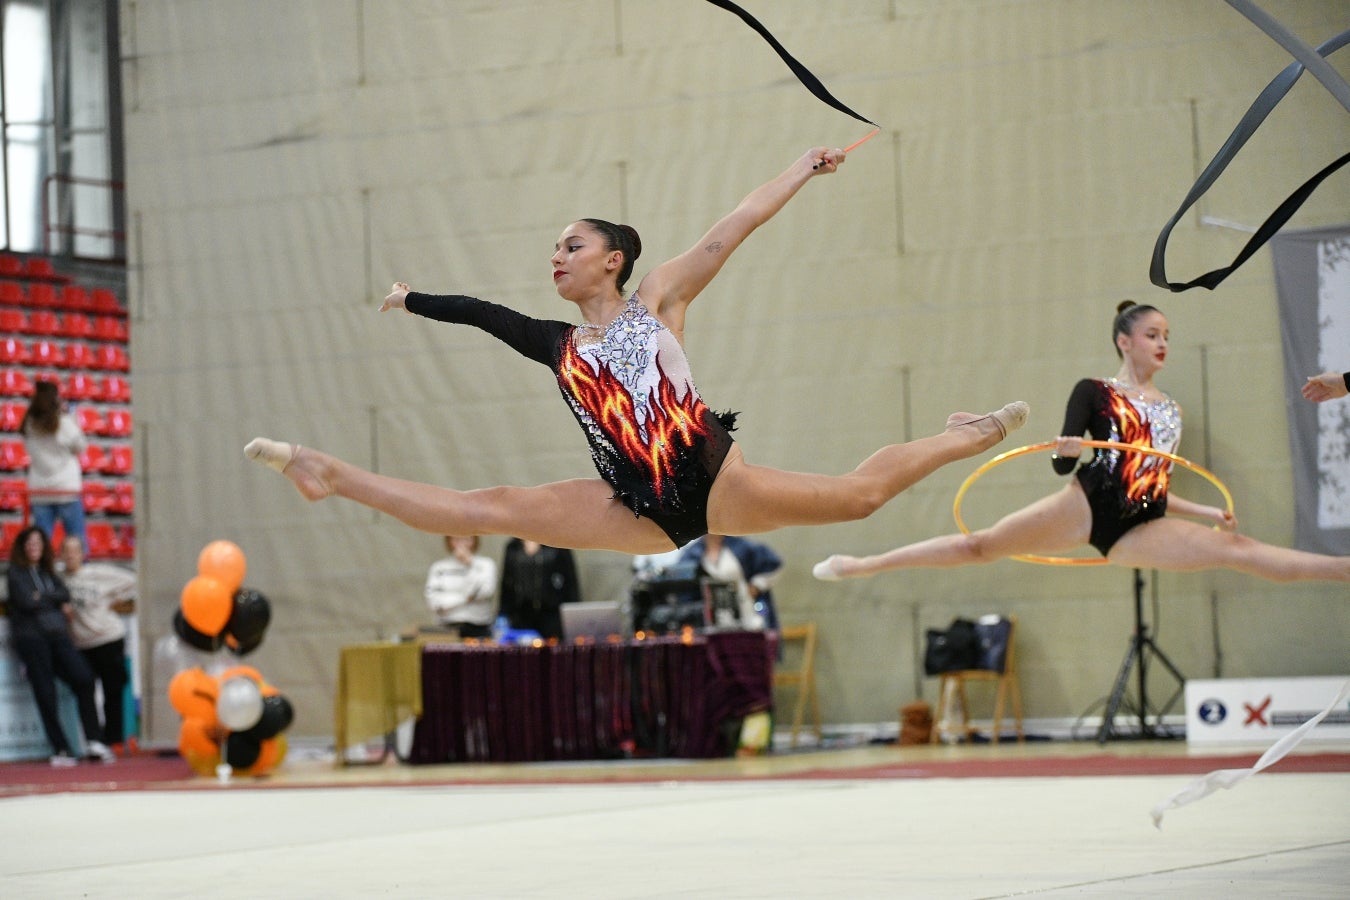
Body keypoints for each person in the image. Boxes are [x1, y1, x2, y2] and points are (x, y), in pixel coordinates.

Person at [245, 146, 1027, 553]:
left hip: (713, 477)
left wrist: (801, 168)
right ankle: (328, 472)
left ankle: (965, 434)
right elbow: (482, 314)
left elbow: (732, 229)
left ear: (612, 257)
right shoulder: (558, 344)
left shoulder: (657, 300)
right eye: (552, 247)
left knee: (860, 497)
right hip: (634, 507)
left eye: (571, 244)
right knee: (483, 510)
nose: (556, 255)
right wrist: (412, 299)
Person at [814, 301, 1350, 584]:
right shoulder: (1094, 391)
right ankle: (865, 565)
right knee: (977, 546)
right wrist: (1065, 451)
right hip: (1085, 503)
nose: (1162, 344)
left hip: (1141, 525)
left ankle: (1341, 569)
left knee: (1236, 550)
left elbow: (1151, 483)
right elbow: (1062, 460)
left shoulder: (1170, 408)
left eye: (1167, 337)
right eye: (1152, 334)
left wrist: (1207, 509)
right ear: (1125, 339)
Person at [4, 526, 115, 765]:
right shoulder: (15, 573)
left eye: (38, 543)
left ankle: (94, 740)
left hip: (57, 635)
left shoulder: (49, 572)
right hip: (32, 640)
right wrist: (49, 600)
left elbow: (62, 594)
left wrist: (41, 598)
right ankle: (61, 748)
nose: (34, 547)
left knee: (84, 678)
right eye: (29, 543)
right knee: (46, 692)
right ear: (23, 547)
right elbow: (26, 602)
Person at [59, 535, 137, 753]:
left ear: (82, 554)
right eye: (67, 550)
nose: (71, 555)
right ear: (62, 554)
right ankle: (94, 741)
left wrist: (114, 598)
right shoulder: (59, 580)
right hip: (81, 645)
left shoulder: (96, 573)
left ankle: (113, 740)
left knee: (113, 691)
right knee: (86, 690)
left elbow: (132, 580)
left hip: (108, 638)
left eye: (75, 550)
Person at [20, 379, 87, 548]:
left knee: (41, 545)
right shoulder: (64, 423)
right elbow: (81, 446)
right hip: (66, 489)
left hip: (40, 490)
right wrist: (71, 417)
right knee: (77, 542)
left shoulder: (29, 425)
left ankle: (42, 574)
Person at [677, 533, 783, 630]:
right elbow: (681, 583)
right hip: (712, 620)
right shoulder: (692, 553)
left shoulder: (741, 545)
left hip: (747, 612)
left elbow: (773, 564)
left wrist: (756, 586)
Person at [498, 538, 581, 640]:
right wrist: (502, 613)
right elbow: (507, 582)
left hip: (552, 613)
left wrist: (574, 614)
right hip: (521, 614)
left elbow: (570, 581)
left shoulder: (558, 543)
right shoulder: (513, 546)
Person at [424, 535, 498, 638]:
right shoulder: (439, 567)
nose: (462, 543)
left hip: (478, 628)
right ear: (449, 540)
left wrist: (469, 564)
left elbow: (484, 591)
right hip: (446, 628)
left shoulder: (486, 565)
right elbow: (435, 603)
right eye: (456, 539)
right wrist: (466, 599)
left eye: (467, 538)